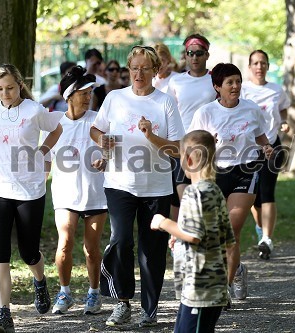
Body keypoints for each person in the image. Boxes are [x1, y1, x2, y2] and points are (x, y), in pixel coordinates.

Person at [90, 45, 185, 327]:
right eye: (134, 68)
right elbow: (96, 128)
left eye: (145, 68)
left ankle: (150, 308)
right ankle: (122, 302)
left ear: (155, 71)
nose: (139, 73)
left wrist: (152, 136)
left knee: (151, 250)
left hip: (155, 187)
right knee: (120, 240)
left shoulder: (165, 102)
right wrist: (101, 141)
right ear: (128, 69)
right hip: (119, 183)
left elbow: (178, 149)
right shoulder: (115, 98)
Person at [0, 64, 63, 332]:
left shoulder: (34, 110)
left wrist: (43, 150)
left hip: (29, 189)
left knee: (28, 252)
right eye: (0, 89)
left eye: (10, 88)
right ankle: (4, 313)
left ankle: (40, 280)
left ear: (20, 85)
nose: (5, 93)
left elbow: (57, 128)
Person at [188, 63, 273, 305]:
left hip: (246, 170)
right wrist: (207, 144)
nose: (235, 86)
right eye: (229, 83)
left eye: (237, 81)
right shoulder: (205, 113)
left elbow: (260, 135)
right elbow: (192, 145)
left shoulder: (251, 109)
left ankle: (222, 288)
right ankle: (237, 270)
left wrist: (266, 146)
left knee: (231, 229)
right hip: (215, 172)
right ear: (217, 87)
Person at [150, 130, 236, 332]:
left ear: (188, 159)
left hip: (199, 289)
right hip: (213, 288)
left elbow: (194, 235)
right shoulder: (215, 191)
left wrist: (163, 222)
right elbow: (227, 239)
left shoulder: (192, 193)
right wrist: (178, 236)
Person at [47, 66, 108, 315]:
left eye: (90, 91)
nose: (88, 96)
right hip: (65, 194)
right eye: (83, 92)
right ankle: (65, 292)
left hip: (95, 192)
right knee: (65, 242)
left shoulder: (99, 119)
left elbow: (115, 146)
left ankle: (94, 294)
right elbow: (46, 160)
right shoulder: (55, 124)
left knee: (91, 249)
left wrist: (106, 157)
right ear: (69, 95)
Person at [240, 50, 290, 259]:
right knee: (254, 196)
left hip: (272, 146)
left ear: (268, 66)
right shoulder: (242, 90)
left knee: (267, 191)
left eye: (263, 63)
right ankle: (261, 230)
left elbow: (284, 110)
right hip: (250, 148)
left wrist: (284, 122)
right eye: (255, 63)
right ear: (250, 67)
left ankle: (267, 238)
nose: (259, 67)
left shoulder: (277, 90)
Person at [167, 34, 217, 218]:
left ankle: (199, 231)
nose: (195, 57)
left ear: (207, 55)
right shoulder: (176, 81)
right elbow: (168, 111)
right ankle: (176, 240)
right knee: (179, 193)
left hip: (207, 143)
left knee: (202, 190)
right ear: (185, 55)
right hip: (181, 143)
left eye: (199, 53)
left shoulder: (215, 80)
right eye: (190, 53)